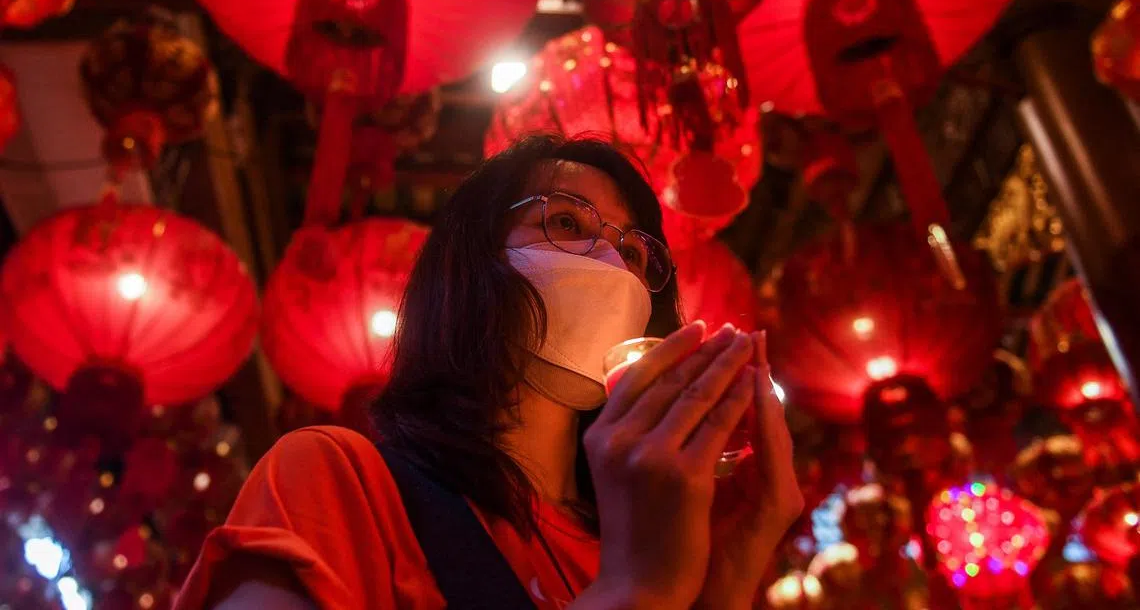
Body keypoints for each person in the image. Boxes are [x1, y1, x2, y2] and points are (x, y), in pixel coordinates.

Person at [174, 136, 803, 610]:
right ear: (470, 266)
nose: (613, 261)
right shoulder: (340, 480)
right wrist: (635, 593)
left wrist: (721, 589)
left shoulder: (640, 535)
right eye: (566, 223)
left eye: (635, 252)